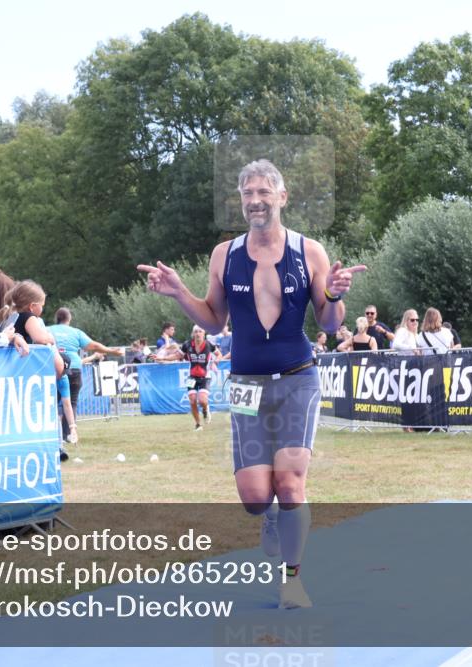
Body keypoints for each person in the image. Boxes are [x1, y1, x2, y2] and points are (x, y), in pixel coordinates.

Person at [137, 159, 365, 609]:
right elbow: (215, 319)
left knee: (292, 482)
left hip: (298, 378)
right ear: (240, 201)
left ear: (282, 197)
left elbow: (329, 319)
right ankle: (271, 516)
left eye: (264, 192)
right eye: (247, 194)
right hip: (244, 384)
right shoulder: (225, 255)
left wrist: (336, 295)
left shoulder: (310, 251)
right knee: (257, 498)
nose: (255, 201)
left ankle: (293, 582)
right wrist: (180, 293)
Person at [47, 307, 123, 444]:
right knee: (71, 403)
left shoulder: (48, 329)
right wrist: (111, 351)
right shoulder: (76, 332)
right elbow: (94, 346)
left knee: (50, 402)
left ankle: (50, 434)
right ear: (69, 319)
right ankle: (68, 434)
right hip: (74, 369)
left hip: (54, 368)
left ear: (56, 319)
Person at [182, 325, 219, 430]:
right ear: (193, 334)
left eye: (200, 331)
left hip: (205, 376)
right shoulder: (187, 345)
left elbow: (219, 354)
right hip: (191, 377)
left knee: (202, 400)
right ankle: (198, 425)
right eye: (196, 332)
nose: (198, 334)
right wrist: (163, 358)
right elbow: (177, 355)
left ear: (204, 334)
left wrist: (215, 362)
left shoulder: (209, 345)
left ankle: (205, 409)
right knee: (192, 400)